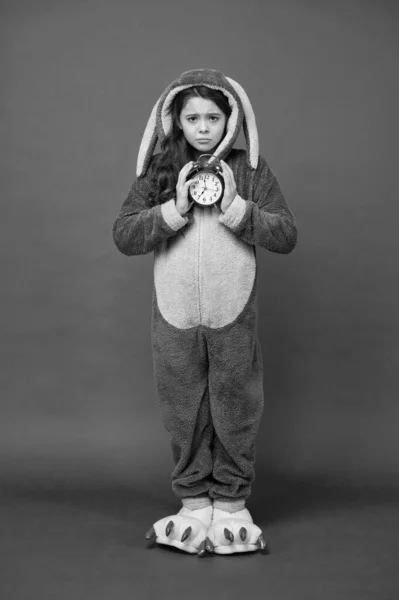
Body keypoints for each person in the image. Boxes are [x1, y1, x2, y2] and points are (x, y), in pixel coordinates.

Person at [112, 68, 298, 556]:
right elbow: (124, 234)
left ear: (231, 118)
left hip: (232, 312)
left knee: (236, 404)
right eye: (191, 117)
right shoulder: (158, 169)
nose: (202, 127)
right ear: (174, 118)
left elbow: (286, 235)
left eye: (213, 117)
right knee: (181, 408)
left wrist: (238, 209)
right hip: (174, 313)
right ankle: (194, 503)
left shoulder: (251, 169)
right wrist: (171, 210)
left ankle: (233, 504)